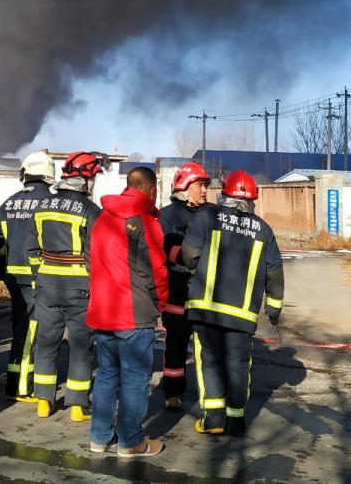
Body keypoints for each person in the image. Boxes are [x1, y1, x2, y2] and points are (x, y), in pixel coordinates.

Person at [180, 169, 283, 438]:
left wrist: (196, 271)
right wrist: (274, 307)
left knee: (210, 361)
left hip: (206, 309)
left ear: (224, 193)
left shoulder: (206, 217)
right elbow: (274, 271)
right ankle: (236, 421)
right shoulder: (263, 230)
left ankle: (213, 419)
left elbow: (190, 256)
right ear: (253, 199)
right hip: (242, 314)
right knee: (238, 364)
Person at [86, 166, 168, 458]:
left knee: (107, 374)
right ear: (152, 190)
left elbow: (89, 261)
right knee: (135, 376)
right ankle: (132, 441)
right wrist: (161, 304)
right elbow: (155, 270)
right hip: (133, 313)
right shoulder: (144, 221)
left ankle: (99, 437)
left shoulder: (103, 218)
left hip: (103, 310)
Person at [26, 151, 104, 421]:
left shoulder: (43, 205)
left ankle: (44, 401)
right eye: (93, 177)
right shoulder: (91, 210)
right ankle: (77, 405)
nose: (94, 183)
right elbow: (96, 255)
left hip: (47, 284)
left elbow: (31, 247)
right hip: (79, 287)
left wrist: (41, 275)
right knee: (81, 345)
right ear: (84, 179)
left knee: (47, 342)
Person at [0, 149, 55, 402]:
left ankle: (15, 381)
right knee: (31, 332)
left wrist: (7, 254)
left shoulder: (11, 201)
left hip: (13, 276)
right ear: (48, 174)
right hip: (38, 276)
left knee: (21, 329)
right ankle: (21, 388)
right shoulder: (50, 201)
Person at [156, 161, 212, 410]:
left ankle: (210, 395)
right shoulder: (167, 216)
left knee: (208, 350)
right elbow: (164, 251)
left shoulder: (213, 213)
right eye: (200, 185)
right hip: (177, 291)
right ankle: (173, 393)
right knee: (176, 347)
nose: (204, 191)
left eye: (205, 186)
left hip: (207, 292)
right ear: (184, 186)